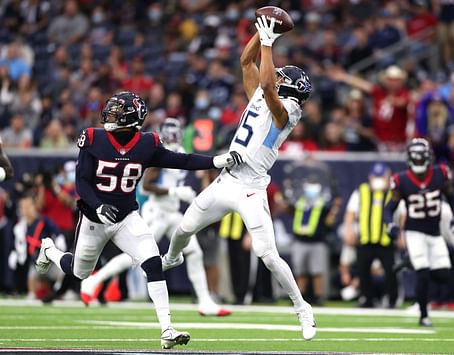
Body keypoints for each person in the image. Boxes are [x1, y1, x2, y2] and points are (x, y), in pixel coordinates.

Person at [35, 91, 242, 349]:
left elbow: (182, 160)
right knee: (80, 271)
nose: (109, 116)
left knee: (153, 263)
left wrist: (216, 161)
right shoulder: (93, 138)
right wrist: (98, 207)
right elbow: (82, 181)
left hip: (127, 218)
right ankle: (49, 250)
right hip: (93, 218)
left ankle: (167, 328)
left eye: (116, 112)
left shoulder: (147, 144)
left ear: (131, 118)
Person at [162, 16, 316, 340]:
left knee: (268, 254)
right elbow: (246, 61)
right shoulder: (263, 94)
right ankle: (172, 258)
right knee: (184, 227)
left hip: (251, 188)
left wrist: (270, 43)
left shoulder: (288, 111)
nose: (278, 74)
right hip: (227, 179)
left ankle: (302, 308)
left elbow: (269, 87)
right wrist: (260, 36)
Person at [80, 118, 231, 317]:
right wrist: (174, 192)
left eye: (176, 133)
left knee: (195, 252)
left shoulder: (179, 152)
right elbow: (146, 186)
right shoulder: (158, 153)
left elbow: (187, 162)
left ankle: (204, 301)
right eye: (171, 133)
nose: (174, 137)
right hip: (157, 211)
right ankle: (93, 281)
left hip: (172, 213)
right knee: (136, 256)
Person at [383, 138, 454, 326]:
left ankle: (411, 263)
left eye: (421, 159)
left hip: (435, 232)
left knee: (443, 276)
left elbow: (451, 196)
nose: (418, 163)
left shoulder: (441, 174)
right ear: (409, 159)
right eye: (415, 159)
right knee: (423, 273)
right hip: (414, 231)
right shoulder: (400, 180)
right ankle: (424, 315)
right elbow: (389, 208)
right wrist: (390, 225)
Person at [344, 162, 398, 308]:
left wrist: (402, 234)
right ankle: (366, 298)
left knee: (391, 271)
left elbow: (402, 213)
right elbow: (350, 212)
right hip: (365, 238)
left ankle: (392, 300)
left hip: (386, 239)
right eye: (376, 176)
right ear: (370, 177)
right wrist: (348, 229)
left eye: (382, 176)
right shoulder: (361, 191)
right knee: (363, 271)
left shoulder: (393, 192)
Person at [290, 178, 338, 305]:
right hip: (300, 240)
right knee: (300, 271)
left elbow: (329, 221)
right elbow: (290, 210)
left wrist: (333, 211)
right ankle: (300, 297)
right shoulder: (299, 202)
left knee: (317, 270)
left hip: (317, 241)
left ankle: (318, 297)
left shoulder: (323, 203)